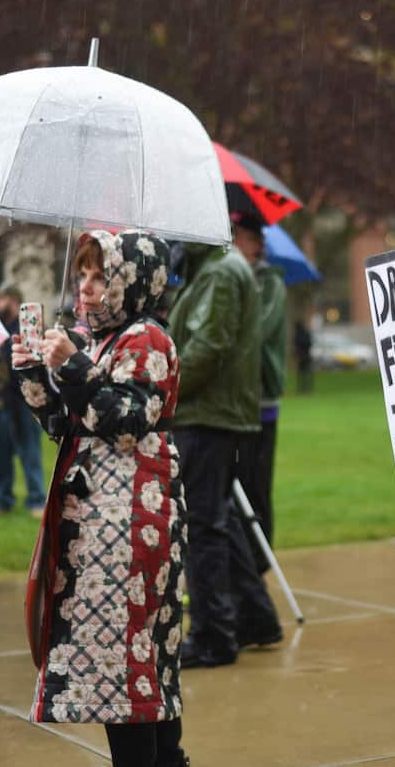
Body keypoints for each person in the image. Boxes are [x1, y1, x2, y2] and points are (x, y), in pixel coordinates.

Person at [12, 230, 188, 767]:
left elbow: (128, 423)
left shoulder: (148, 338)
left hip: (134, 527)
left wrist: (72, 366)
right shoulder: (103, 340)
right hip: (101, 524)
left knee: (128, 663)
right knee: (138, 660)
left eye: (100, 277)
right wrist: (34, 375)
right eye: (82, 276)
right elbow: (69, 425)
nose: (85, 289)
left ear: (132, 281)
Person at [169, 229, 282, 669]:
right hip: (213, 413)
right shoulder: (215, 269)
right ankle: (255, 617)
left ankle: (214, 635)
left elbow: (207, 348)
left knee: (202, 527)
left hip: (206, 415)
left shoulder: (218, 272)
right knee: (219, 519)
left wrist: (162, 387)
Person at [230, 212, 287, 570]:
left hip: (261, 398)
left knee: (257, 486)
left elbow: (256, 330)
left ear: (256, 242)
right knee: (235, 487)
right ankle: (240, 559)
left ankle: (260, 560)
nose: (234, 242)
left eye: (240, 236)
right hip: (233, 401)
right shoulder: (231, 278)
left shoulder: (270, 284)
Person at [0, 282, 46, 518]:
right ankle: (1, 500)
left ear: (13, 300)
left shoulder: (27, 325)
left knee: (30, 450)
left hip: (23, 399)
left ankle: (37, 499)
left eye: (2, 299)